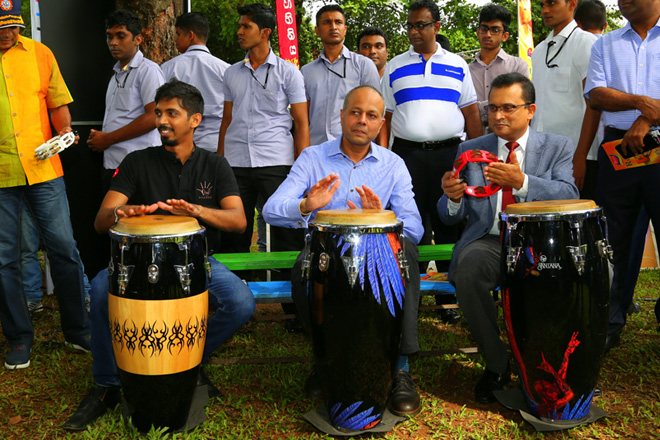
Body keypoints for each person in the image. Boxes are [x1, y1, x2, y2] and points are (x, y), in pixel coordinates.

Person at [63, 79, 256, 431]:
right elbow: (100, 221)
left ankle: (185, 361)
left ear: (195, 120)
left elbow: (239, 222)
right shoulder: (137, 162)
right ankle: (108, 384)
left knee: (240, 303)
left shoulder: (215, 165)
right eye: (158, 112)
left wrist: (197, 210)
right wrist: (123, 213)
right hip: (135, 263)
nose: (162, 120)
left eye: (172, 113)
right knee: (100, 292)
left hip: (197, 261)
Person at [263, 85, 424, 417]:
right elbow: (271, 209)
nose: (361, 121)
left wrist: (380, 219)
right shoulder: (312, 158)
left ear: (381, 124)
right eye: (355, 112)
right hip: (326, 250)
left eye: (371, 115)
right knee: (303, 271)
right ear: (341, 116)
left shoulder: (393, 165)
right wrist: (307, 204)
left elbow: (415, 226)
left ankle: (401, 369)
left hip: (378, 252)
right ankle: (326, 359)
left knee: (405, 255)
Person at [438, 73, 579, 404]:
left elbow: (570, 193)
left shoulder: (557, 146)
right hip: (490, 241)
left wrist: (524, 182)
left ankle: (543, 362)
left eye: (508, 108)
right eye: (493, 108)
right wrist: (453, 197)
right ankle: (497, 362)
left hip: (540, 243)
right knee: (468, 269)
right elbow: (447, 217)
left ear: (530, 110)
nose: (498, 116)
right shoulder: (470, 150)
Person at [0, 1, 91, 370]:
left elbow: (58, 104)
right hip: (2, 173)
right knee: (4, 259)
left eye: (11, 26)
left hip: (44, 169)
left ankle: (77, 329)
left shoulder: (41, 53)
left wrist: (64, 131)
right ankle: (19, 337)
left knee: (64, 249)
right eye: (0, 27)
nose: (6, 33)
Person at [382, 0, 481, 325]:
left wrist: (476, 161)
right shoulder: (395, 66)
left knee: (450, 221)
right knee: (412, 222)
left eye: (421, 25)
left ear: (436, 27)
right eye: (410, 25)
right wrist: (383, 158)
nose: (413, 31)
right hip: (406, 156)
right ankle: (414, 291)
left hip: (448, 156)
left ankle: (448, 297)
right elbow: (385, 117)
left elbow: (470, 115)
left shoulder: (457, 64)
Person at [584, 0, 660, 353]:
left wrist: (648, 119)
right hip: (619, 151)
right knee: (612, 241)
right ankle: (609, 321)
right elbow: (596, 94)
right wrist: (644, 105)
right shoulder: (606, 43)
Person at [218, 3, 309, 258]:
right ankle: (234, 292)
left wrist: (302, 167)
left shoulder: (289, 72)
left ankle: (291, 296)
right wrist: (220, 161)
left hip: (276, 162)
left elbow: (301, 122)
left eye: (246, 26)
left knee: (286, 232)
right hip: (236, 164)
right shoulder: (231, 73)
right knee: (234, 232)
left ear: (265, 32)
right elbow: (227, 120)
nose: (240, 31)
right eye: (240, 26)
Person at [88, 10, 164, 191]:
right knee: (115, 219)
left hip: (139, 168)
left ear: (138, 39)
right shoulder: (116, 74)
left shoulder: (148, 71)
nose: (113, 43)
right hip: (113, 164)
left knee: (138, 219)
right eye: (109, 37)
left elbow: (155, 116)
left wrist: (108, 139)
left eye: (121, 36)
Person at [302, 4, 381, 147]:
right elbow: (303, 118)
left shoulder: (364, 66)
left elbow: (376, 111)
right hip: (316, 150)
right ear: (317, 30)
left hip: (355, 150)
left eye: (338, 22)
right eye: (327, 22)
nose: (333, 27)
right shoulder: (306, 71)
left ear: (345, 30)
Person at [530, 0, 599, 162]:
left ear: (572, 4)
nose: (545, 10)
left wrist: (581, 156)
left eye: (552, 3)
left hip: (575, 154)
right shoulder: (540, 50)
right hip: (540, 153)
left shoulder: (585, 42)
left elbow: (594, 104)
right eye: (542, 5)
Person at [161, 12, 230, 153]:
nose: (175, 39)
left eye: (178, 34)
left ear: (190, 35)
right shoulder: (226, 70)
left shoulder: (168, 68)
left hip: (178, 146)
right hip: (216, 145)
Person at [469, 4, 529, 135]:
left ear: (505, 36)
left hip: (508, 138)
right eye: (484, 29)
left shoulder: (517, 66)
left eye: (495, 30)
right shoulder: (466, 70)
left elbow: (520, 102)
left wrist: (475, 109)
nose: (488, 34)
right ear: (478, 32)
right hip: (474, 140)